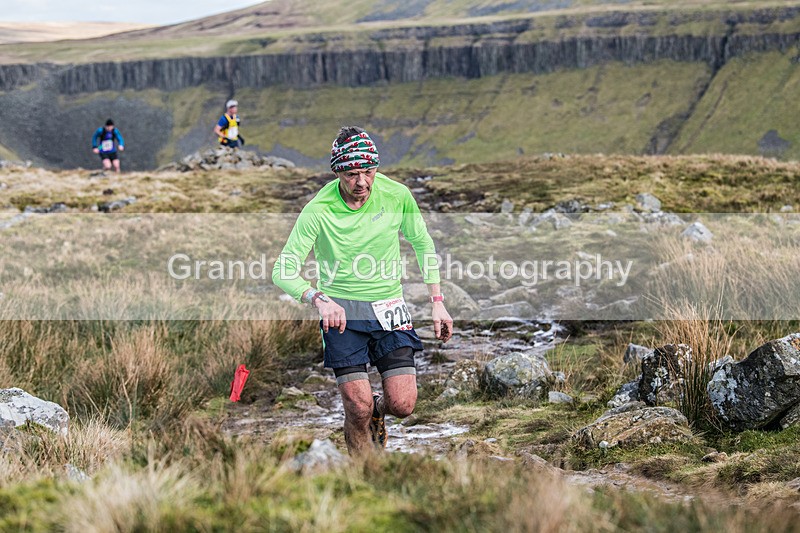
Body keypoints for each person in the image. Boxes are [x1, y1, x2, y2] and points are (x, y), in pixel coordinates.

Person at [272, 126, 453, 455]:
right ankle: (362, 473)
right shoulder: (318, 209)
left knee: (403, 404)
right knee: (357, 408)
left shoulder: (397, 195)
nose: (362, 182)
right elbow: (282, 269)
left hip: (389, 308)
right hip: (341, 314)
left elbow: (422, 243)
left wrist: (437, 301)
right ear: (337, 172)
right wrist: (319, 299)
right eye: (352, 174)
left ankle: (378, 411)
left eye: (369, 171)